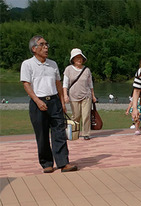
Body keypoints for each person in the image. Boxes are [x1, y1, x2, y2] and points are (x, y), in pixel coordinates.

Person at [20, 35, 78, 173]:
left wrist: (62, 101)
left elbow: (58, 83)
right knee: (42, 134)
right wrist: (38, 101)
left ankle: (63, 162)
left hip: (54, 102)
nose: (46, 47)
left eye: (46, 44)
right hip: (37, 102)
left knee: (59, 132)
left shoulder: (53, 64)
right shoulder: (27, 64)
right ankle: (46, 163)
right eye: (42, 44)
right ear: (34, 48)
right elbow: (26, 85)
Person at [62, 48, 97, 141]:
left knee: (86, 115)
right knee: (76, 116)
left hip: (86, 95)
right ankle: (74, 132)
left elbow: (90, 84)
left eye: (80, 57)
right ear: (73, 59)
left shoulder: (87, 70)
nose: (79, 59)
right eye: (77, 58)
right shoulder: (68, 69)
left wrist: (93, 95)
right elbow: (65, 84)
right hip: (73, 96)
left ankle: (86, 133)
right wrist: (65, 95)